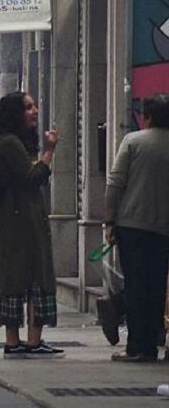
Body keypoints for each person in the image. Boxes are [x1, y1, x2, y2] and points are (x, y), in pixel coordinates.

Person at [0, 91, 62, 359]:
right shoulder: (9, 143)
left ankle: (22, 340)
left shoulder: (10, 142)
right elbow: (32, 177)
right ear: (15, 113)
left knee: (21, 277)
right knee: (30, 276)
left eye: (34, 106)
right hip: (21, 222)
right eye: (28, 107)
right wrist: (49, 153)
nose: (35, 111)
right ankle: (27, 340)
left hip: (17, 218)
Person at [105, 93, 169, 362]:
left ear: (147, 116)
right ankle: (153, 344)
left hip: (131, 226)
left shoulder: (133, 141)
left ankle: (136, 347)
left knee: (135, 286)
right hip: (163, 228)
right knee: (156, 286)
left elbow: (115, 183)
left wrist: (109, 220)